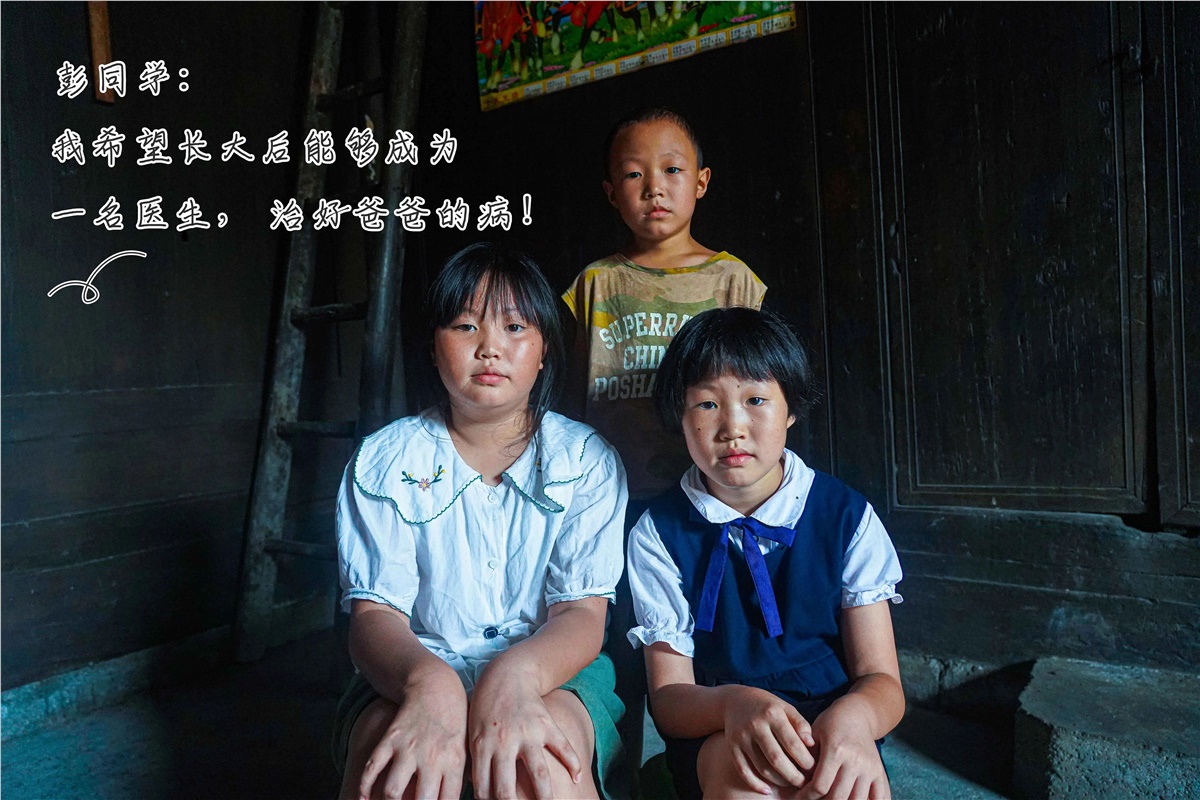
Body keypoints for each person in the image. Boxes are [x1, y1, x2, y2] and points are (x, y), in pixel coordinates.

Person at [332, 243, 630, 800]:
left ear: (543, 350)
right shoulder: (383, 463)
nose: (490, 347)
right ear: (433, 347)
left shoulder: (585, 461)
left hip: (553, 671)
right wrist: (429, 684)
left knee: (539, 772)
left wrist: (513, 677)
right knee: (399, 777)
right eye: (466, 326)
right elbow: (375, 617)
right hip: (409, 666)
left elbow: (581, 615)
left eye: (514, 327)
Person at [627, 307, 905, 799]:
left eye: (756, 399)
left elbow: (881, 680)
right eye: (707, 404)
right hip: (717, 723)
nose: (732, 427)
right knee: (748, 786)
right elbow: (669, 700)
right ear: (680, 417)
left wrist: (855, 719)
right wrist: (734, 705)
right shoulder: (658, 533)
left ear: (791, 408)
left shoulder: (846, 517)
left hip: (833, 721)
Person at [562, 107, 767, 502]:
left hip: (713, 486)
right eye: (633, 174)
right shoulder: (595, 282)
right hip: (609, 488)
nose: (653, 188)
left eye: (672, 169)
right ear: (611, 192)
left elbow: (759, 387)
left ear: (701, 181)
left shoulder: (734, 280)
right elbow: (572, 393)